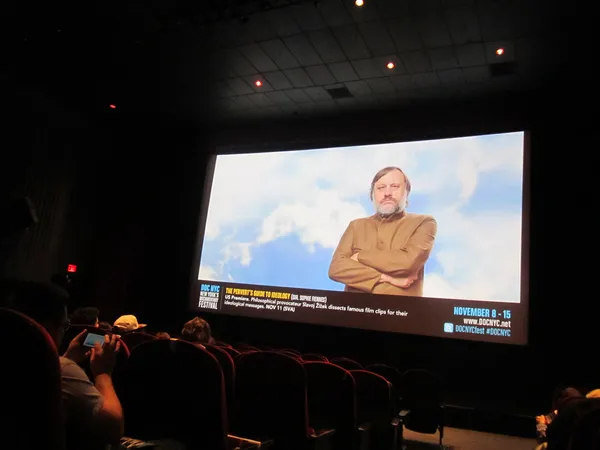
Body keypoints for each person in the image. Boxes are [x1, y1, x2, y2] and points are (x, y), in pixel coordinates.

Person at [7, 281, 124, 450]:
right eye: (65, 325)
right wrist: (103, 373)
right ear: (48, 327)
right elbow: (113, 429)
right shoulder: (64, 369)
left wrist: (68, 357)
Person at [328, 166, 437, 297]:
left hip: (400, 309)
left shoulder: (424, 222)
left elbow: (408, 263)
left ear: (406, 192)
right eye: (381, 188)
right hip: (355, 308)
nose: (387, 193)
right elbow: (336, 268)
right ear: (372, 195)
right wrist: (387, 278)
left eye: (394, 186)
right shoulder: (356, 226)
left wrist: (359, 257)